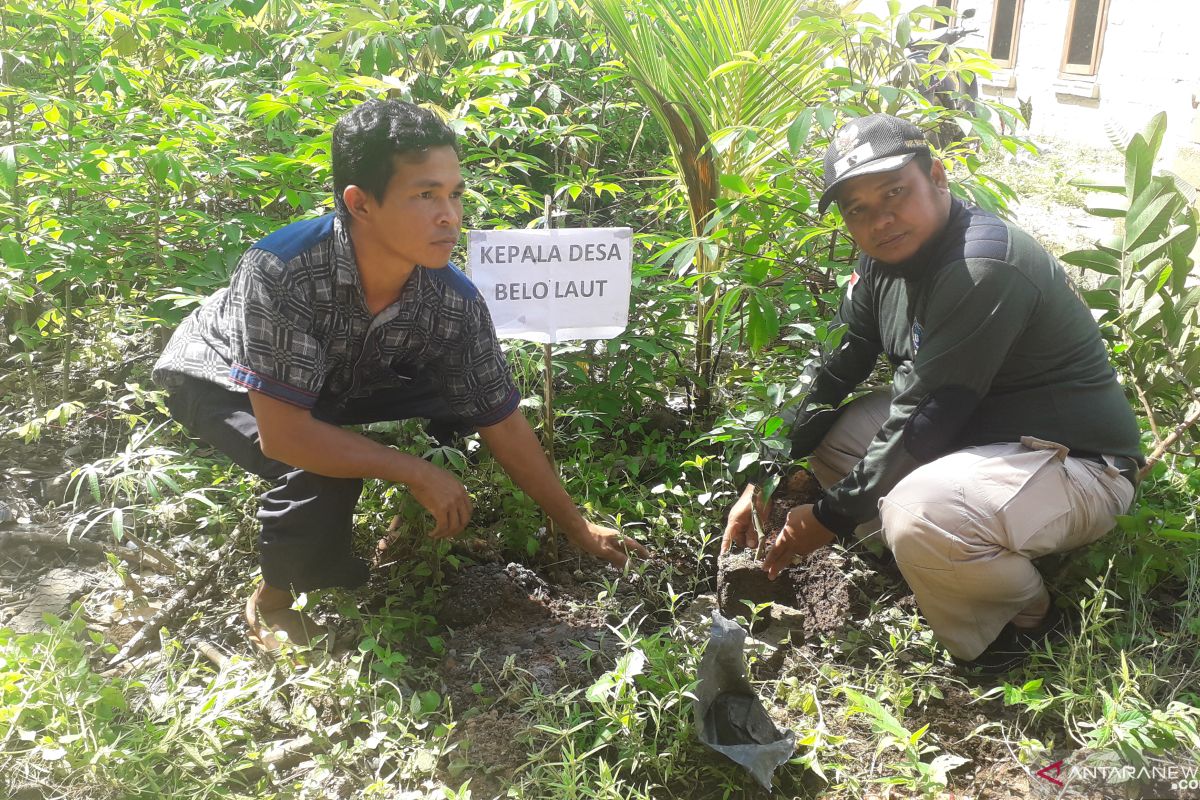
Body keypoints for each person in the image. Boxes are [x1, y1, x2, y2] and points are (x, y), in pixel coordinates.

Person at [154, 100, 647, 651]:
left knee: (463, 393)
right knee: (322, 469)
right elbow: (287, 435)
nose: (450, 216)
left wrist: (578, 527)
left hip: (341, 377)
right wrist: (411, 469)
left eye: (455, 194)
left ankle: (409, 525)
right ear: (360, 204)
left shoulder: (451, 299)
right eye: (424, 195)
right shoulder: (282, 270)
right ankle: (274, 599)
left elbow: (501, 420)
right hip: (225, 378)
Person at [722, 114, 1142, 671]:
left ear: (938, 178)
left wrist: (825, 518)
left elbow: (925, 421)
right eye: (858, 209)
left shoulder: (982, 265)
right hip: (978, 436)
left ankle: (1028, 620)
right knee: (836, 437)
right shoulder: (880, 267)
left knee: (919, 514)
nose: (881, 218)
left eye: (895, 192)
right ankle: (938, 563)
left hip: (1076, 464)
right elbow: (834, 369)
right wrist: (766, 475)